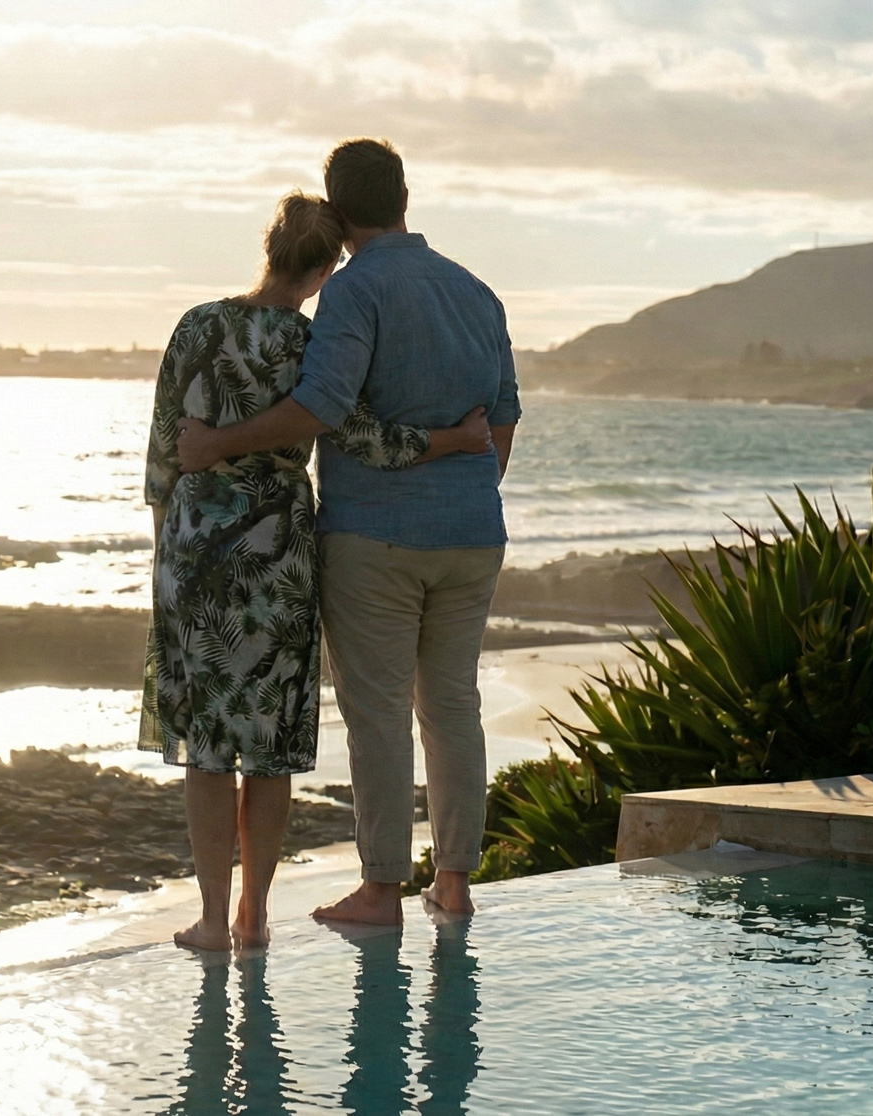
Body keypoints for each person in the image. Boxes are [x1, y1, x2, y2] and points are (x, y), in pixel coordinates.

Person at [177, 139, 519, 926]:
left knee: (378, 716)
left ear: (336, 212)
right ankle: (456, 883)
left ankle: (382, 890)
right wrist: (463, 489)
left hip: (375, 537)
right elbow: (501, 418)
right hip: (473, 530)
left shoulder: (355, 290)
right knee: (454, 707)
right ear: (406, 196)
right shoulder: (476, 292)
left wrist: (220, 444)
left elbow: (321, 406)